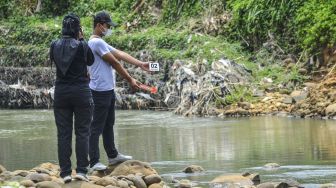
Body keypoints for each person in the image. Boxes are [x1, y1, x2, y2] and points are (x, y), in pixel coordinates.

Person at [88, 11, 149, 171]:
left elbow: (120, 54)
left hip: (107, 90)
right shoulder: (96, 43)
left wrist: (140, 64)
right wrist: (130, 80)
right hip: (99, 91)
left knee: (108, 124)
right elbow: (115, 62)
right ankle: (94, 161)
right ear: (100, 25)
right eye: (107, 26)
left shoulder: (99, 42)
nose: (109, 29)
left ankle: (113, 155)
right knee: (96, 127)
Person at [50, 13, 94, 182]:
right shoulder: (82, 45)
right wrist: (82, 39)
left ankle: (66, 173)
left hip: (61, 92)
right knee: (82, 132)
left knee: (63, 134)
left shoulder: (54, 44)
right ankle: (82, 171)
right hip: (81, 92)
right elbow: (90, 61)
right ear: (78, 29)